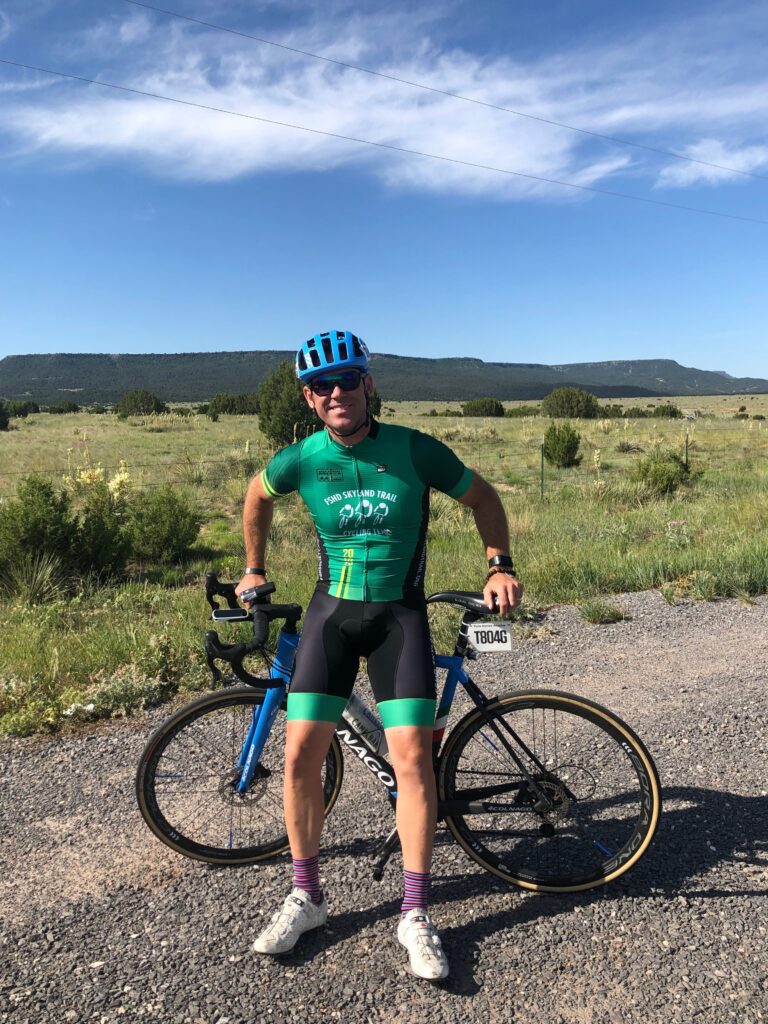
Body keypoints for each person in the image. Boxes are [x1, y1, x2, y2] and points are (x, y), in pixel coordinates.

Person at [236, 330, 522, 981]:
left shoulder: (414, 450)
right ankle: (306, 896)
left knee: (414, 760)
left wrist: (499, 565)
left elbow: (483, 497)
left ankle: (415, 913)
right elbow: (256, 496)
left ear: (368, 384)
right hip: (332, 615)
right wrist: (252, 568)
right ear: (309, 399)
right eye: (321, 385)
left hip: (399, 617)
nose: (336, 392)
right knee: (301, 752)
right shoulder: (302, 459)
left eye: (346, 379)